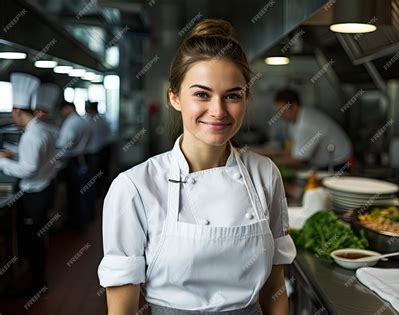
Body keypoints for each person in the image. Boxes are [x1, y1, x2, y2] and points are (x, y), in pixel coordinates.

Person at [98, 19, 297, 314]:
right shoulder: (135, 187)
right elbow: (122, 307)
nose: (218, 111)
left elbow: (275, 289)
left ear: (245, 98)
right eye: (202, 94)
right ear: (175, 97)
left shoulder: (265, 174)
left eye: (232, 95)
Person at [0, 73, 57, 295]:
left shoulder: (32, 136)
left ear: (16, 111)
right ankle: (36, 279)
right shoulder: (40, 130)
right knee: (33, 237)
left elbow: (28, 168)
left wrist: (3, 162)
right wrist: (12, 152)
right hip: (44, 187)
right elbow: (33, 157)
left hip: (35, 193)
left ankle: (38, 284)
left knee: (32, 239)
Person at [273, 88, 352, 170]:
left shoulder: (306, 123)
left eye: (283, 111)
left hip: (338, 162)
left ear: (295, 106)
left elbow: (298, 160)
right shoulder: (296, 119)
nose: (281, 116)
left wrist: (270, 161)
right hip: (324, 162)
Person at [56, 101, 93, 227]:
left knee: (76, 192)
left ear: (68, 108)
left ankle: (77, 221)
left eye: (62, 109)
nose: (61, 113)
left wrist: (56, 146)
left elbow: (66, 142)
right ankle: (84, 217)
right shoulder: (81, 120)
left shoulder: (71, 122)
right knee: (82, 190)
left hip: (73, 159)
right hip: (81, 156)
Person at [84, 101, 111, 196]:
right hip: (104, 149)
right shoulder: (102, 119)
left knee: (94, 175)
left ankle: (95, 194)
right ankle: (102, 191)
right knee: (102, 173)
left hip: (94, 152)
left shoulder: (90, 121)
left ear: (89, 109)